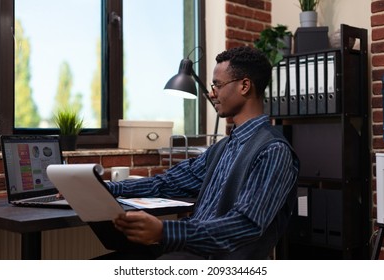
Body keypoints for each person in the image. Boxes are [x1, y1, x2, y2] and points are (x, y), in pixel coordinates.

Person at [103, 45, 300, 260]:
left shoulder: (273, 151)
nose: (211, 93)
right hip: (187, 251)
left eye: (217, 85)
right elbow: (167, 183)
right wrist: (106, 188)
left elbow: (246, 224)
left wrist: (164, 231)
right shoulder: (223, 148)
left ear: (244, 86)